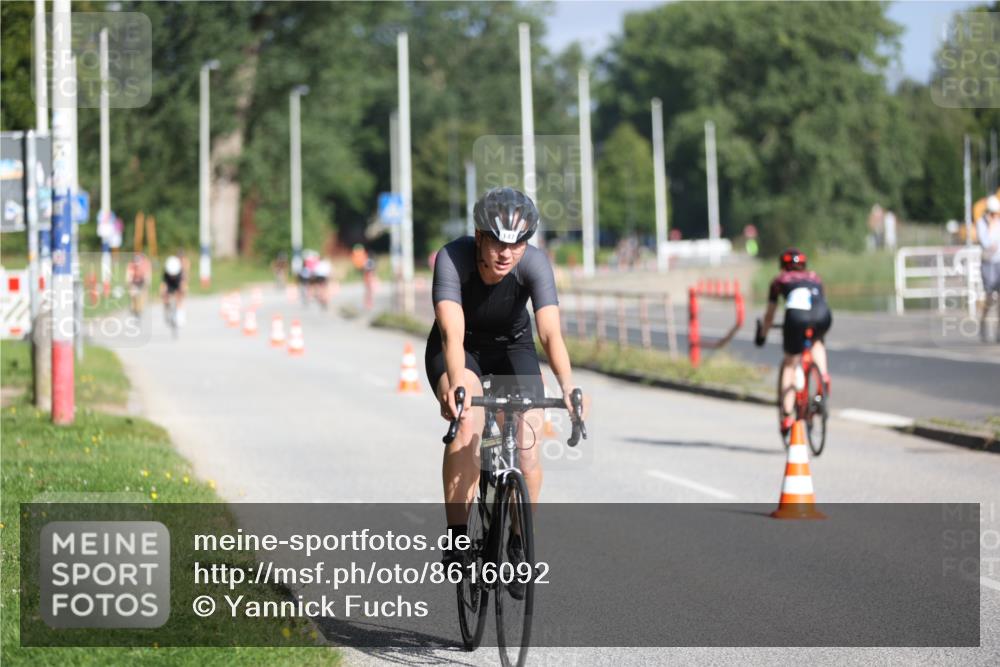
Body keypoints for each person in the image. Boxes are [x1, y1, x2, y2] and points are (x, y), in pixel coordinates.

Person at [425, 187, 583, 572]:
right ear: (479, 236)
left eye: (517, 244)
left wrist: (567, 387)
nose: (506, 253)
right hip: (462, 349)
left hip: (513, 348)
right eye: (497, 242)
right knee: (468, 424)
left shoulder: (534, 264)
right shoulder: (452, 258)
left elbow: (549, 333)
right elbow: (452, 330)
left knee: (528, 445)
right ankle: (458, 537)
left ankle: (517, 538)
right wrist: (459, 387)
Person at [754, 248, 832, 437]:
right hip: (823, 315)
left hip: (796, 317)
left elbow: (770, 314)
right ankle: (823, 377)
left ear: (783, 266)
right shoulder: (815, 277)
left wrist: (763, 334)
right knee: (817, 342)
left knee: (790, 363)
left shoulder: (779, 280)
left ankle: (787, 415)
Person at [977, 195, 1000, 342]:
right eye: (993, 213)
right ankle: (984, 323)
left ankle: (999, 332)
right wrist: (991, 226)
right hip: (988, 263)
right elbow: (987, 243)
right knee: (990, 297)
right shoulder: (982, 223)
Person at [160, 254, 187, 327]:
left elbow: (183, 284)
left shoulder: (180, 272)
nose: (172, 276)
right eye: (171, 274)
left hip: (177, 284)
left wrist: (183, 291)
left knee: (179, 296)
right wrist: (163, 293)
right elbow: (163, 284)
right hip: (169, 284)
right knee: (165, 297)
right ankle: (167, 310)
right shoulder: (166, 273)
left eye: (174, 275)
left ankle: (179, 315)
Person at [126, 253, 150, 318]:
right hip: (134, 281)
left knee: (142, 294)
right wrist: (129, 284)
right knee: (133, 294)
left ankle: (140, 308)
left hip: (142, 281)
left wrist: (146, 285)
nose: (137, 266)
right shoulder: (131, 265)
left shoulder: (144, 265)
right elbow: (128, 277)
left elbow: (147, 277)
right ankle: (133, 306)